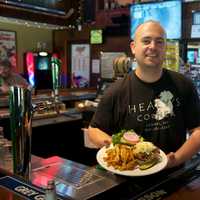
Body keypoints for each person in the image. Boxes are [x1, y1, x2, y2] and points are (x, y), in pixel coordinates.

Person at [88, 20, 200, 169]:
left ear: (165, 48)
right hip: (128, 179)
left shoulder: (183, 85)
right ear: (133, 47)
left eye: (159, 42)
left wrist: (175, 159)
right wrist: (112, 144)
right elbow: (94, 129)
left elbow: (197, 131)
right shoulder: (116, 91)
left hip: (174, 176)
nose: (153, 47)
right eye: (146, 41)